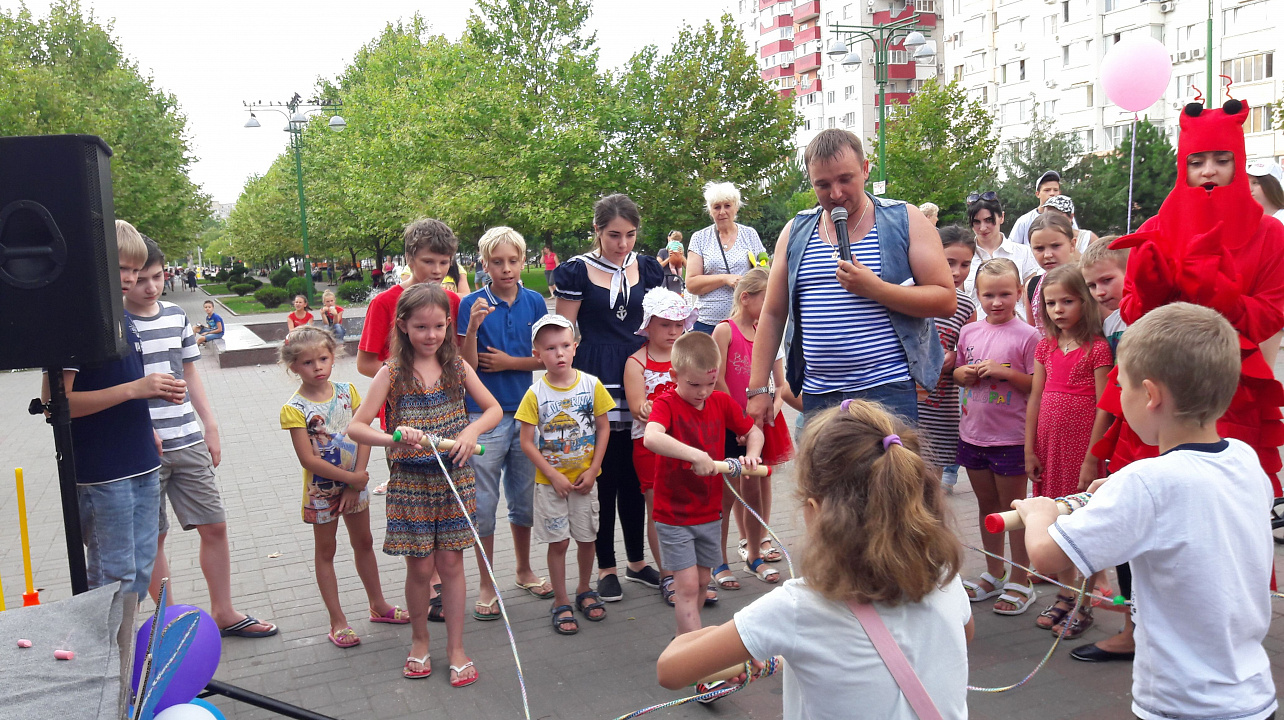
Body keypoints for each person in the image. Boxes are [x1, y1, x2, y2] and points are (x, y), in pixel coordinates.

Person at [1015, 303, 1277, 720]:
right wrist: (1117, 492)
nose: (1119, 398)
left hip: (1182, 703)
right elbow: (1185, 508)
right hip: (1251, 694)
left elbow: (1047, 556)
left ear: (1150, 395)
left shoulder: (1147, 482)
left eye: (1124, 388)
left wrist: (1040, 511)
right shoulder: (1244, 459)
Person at [656, 400, 972, 719]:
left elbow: (670, 669)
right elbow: (964, 633)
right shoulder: (944, 577)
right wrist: (785, 649)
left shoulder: (796, 608)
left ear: (816, 511)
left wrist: (750, 642)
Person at [747, 129, 955, 428]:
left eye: (846, 179)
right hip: (820, 393)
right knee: (826, 477)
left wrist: (877, 289)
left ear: (865, 169)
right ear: (810, 181)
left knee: (889, 477)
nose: (836, 194)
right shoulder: (795, 231)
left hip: (888, 390)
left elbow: (945, 299)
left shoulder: (904, 219)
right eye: (823, 184)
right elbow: (773, 313)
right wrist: (757, 389)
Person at [347, 284, 501, 685]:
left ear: (448, 325)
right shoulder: (391, 372)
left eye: (437, 326)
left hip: (455, 480)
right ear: (403, 326)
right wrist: (396, 436)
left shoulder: (457, 368)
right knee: (420, 570)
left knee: (451, 563)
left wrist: (471, 433)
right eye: (420, 327)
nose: (430, 335)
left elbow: (494, 410)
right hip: (411, 484)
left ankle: (456, 648)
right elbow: (356, 427)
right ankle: (419, 642)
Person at [128, 238, 277, 638]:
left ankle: (224, 612)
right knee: (154, 536)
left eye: (157, 276)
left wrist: (209, 424)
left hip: (187, 438)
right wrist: (144, 430)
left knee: (215, 525)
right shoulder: (117, 324)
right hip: (144, 448)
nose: (150, 287)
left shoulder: (176, 316)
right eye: (140, 279)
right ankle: (169, 620)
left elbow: (190, 373)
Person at [52, 220, 179, 598]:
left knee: (139, 574)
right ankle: (111, 656)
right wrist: (133, 390)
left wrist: (148, 421)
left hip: (141, 460)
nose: (130, 277)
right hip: (104, 473)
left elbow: (126, 388)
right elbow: (57, 405)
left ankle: (125, 655)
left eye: (135, 269)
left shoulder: (123, 319)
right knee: (114, 578)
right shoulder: (75, 322)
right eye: (121, 267)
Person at [553, 194, 665, 602]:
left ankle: (636, 561)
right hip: (596, 374)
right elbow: (564, 328)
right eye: (614, 235)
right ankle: (606, 566)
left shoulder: (648, 268)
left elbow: (661, 320)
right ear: (597, 230)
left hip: (641, 371)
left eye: (630, 235)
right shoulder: (578, 271)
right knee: (603, 474)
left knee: (636, 474)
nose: (623, 244)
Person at [279, 326, 407, 647]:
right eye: (308, 362)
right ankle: (338, 621)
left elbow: (360, 432)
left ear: (334, 357)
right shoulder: (294, 409)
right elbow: (308, 459)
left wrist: (358, 476)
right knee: (326, 551)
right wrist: (351, 479)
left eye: (323, 358)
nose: (318, 367)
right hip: (321, 492)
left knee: (364, 542)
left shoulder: (347, 392)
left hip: (356, 484)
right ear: (293, 366)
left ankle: (378, 604)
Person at [457, 227, 553, 619]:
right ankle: (486, 581)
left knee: (523, 498)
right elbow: (467, 364)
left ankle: (524, 568)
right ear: (484, 265)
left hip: (525, 412)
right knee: (482, 504)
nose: (507, 269)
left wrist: (512, 363)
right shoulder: (472, 303)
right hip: (483, 415)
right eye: (497, 262)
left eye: (513, 261)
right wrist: (475, 328)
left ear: (523, 260)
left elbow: (550, 357)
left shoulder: (534, 302)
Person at [643, 332, 763, 635]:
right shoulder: (666, 403)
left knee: (702, 583)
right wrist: (695, 455)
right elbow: (652, 436)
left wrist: (751, 454)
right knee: (685, 586)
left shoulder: (720, 401)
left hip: (709, 512)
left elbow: (754, 432)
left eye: (710, 384)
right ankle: (693, 652)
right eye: (694, 384)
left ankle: (687, 643)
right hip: (674, 514)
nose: (703, 392)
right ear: (675, 375)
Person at [1023, 264, 1112, 638]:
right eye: (1051, 302)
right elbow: (1036, 397)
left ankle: (1084, 601)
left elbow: (1105, 405)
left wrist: (1093, 457)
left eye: (1068, 301)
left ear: (1085, 301)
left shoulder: (1098, 349)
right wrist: (1029, 448)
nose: (1058, 309)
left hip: (1080, 447)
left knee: (1081, 523)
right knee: (1056, 522)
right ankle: (1065, 593)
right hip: (1049, 444)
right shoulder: (1045, 346)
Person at [516, 315, 614, 634]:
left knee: (587, 539)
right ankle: (561, 600)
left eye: (564, 346)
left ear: (575, 347)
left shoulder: (591, 385)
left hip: (585, 482)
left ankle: (585, 589)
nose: (558, 353)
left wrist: (594, 467)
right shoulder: (535, 394)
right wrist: (553, 475)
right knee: (558, 543)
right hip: (551, 486)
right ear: (537, 354)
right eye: (549, 348)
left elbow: (603, 427)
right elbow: (527, 442)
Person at [954, 258, 1040, 615]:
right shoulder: (969, 332)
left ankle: (1023, 579)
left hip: (1011, 438)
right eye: (989, 295)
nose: (997, 302)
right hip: (973, 435)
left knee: (1014, 512)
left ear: (1019, 293)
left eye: (1006, 294)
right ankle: (994, 572)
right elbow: (957, 370)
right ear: (978, 295)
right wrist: (964, 375)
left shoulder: (1029, 336)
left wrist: (1007, 375)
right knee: (988, 508)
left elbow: (1037, 384)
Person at [357, 218, 462, 502]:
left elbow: (459, 361)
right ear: (408, 258)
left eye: (444, 262)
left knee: (451, 507)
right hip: (404, 421)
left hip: (447, 418)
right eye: (428, 261)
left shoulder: (453, 301)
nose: (437, 270)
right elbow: (364, 363)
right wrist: (406, 376)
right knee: (411, 510)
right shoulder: (384, 303)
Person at [711, 269, 793, 586]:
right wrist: (739, 420)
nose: (773, 304)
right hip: (732, 424)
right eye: (766, 298)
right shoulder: (725, 331)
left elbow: (780, 382)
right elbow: (717, 380)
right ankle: (717, 560)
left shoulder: (766, 331)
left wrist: (774, 405)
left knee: (754, 490)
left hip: (761, 425)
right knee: (726, 494)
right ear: (746, 298)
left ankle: (754, 554)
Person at [625, 288, 697, 602]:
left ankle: (693, 574)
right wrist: (650, 409)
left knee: (691, 506)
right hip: (650, 446)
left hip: (686, 444)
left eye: (678, 325)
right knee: (659, 512)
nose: (673, 331)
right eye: (665, 324)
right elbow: (638, 406)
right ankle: (667, 575)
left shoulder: (687, 357)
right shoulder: (637, 362)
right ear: (649, 324)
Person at [918, 226, 977, 494]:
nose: (957, 271)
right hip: (907, 404)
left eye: (965, 264)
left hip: (941, 407)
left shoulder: (966, 306)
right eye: (949, 262)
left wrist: (956, 360)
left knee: (931, 489)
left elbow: (968, 357)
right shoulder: (912, 294)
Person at [686, 182, 767, 334]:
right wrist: (724, 279)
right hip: (708, 324)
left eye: (727, 206)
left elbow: (764, 275)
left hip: (745, 323)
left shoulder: (750, 235)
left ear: (736, 207)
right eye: (717, 207)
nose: (722, 212)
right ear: (710, 211)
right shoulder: (699, 238)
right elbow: (691, 284)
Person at [964, 192, 1040, 321]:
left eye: (989, 220)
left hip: (1018, 331)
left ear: (1001, 217)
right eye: (976, 222)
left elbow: (1032, 299)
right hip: (977, 333)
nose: (983, 228)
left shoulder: (1023, 252)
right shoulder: (965, 256)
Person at [1025, 212, 1079, 333]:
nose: (1048, 255)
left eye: (1055, 246)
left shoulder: (1088, 281)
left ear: (1072, 244)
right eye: (1039, 248)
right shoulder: (1032, 286)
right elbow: (1033, 332)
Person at [1008, 170, 1064, 246]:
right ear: (1037, 194)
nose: (1052, 193)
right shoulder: (1024, 221)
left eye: (1055, 190)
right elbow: (1012, 248)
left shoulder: (1066, 218)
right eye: (1047, 190)